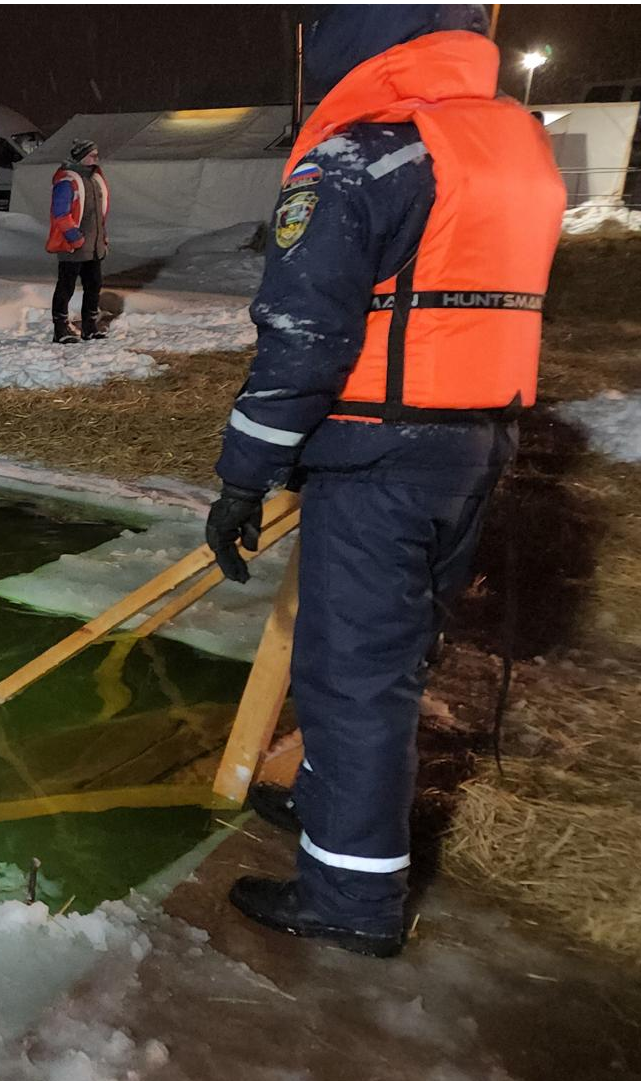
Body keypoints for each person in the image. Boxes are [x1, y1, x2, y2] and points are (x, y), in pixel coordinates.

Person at [204, 4, 565, 958]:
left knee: (352, 675)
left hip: (381, 452)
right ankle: (334, 811)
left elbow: (304, 338)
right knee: (392, 656)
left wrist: (244, 475)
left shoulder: (363, 156)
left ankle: (350, 899)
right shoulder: (510, 141)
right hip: (476, 440)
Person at [46, 139, 109, 344]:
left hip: (94, 246)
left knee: (94, 285)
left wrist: (102, 238)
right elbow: (61, 213)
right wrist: (75, 237)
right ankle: (60, 328)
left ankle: (90, 326)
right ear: (81, 155)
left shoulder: (95, 179)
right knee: (66, 286)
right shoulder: (68, 181)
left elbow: (99, 214)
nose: (95, 158)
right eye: (92, 154)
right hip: (74, 246)